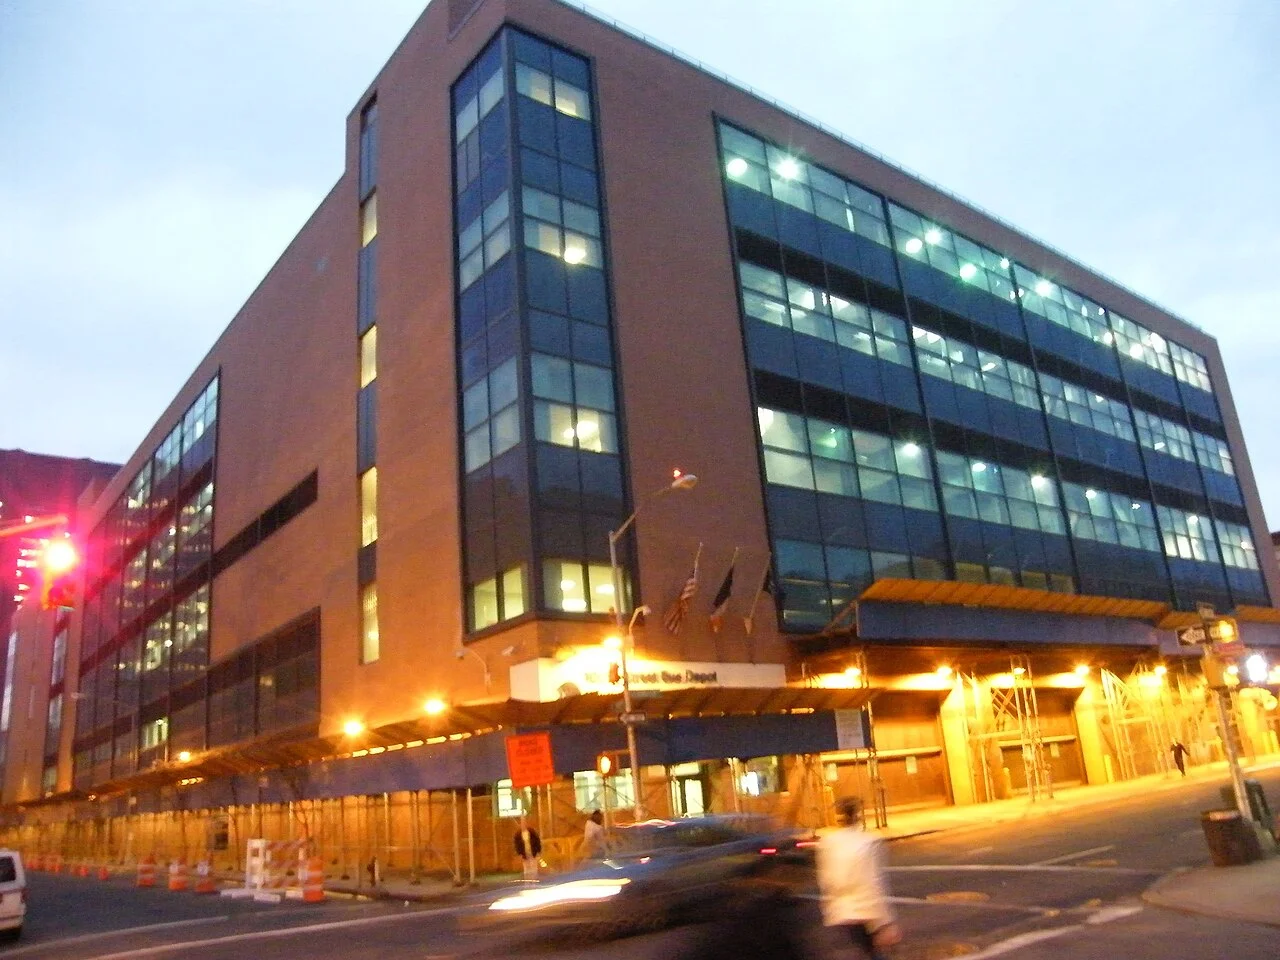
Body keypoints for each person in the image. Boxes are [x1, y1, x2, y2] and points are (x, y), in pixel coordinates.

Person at [816, 796, 901, 959]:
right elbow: (873, 882)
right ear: (858, 816)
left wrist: (830, 907)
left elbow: (826, 880)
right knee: (873, 954)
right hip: (865, 911)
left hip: (841, 912)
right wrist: (885, 922)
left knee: (863, 951)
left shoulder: (828, 842)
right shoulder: (868, 842)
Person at [513, 816, 542, 881]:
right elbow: (517, 845)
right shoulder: (518, 835)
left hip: (533, 852)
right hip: (524, 853)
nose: (523, 824)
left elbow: (537, 842)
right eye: (522, 823)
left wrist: (538, 852)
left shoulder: (532, 832)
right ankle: (528, 882)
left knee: (533, 869)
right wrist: (519, 853)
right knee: (526, 870)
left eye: (524, 823)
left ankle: (534, 881)